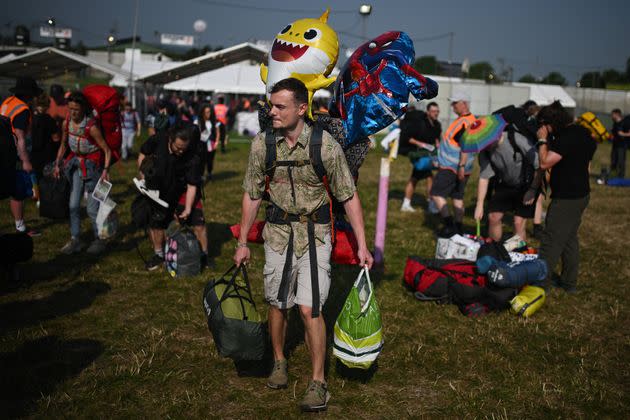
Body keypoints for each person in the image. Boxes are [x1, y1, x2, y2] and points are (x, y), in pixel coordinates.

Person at [233, 78, 373, 412]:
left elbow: (348, 196)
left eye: (280, 106)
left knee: (311, 308)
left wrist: (363, 245)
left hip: (317, 235)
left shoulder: (325, 146)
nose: (273, 112)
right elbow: (252, 195)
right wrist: (242, 242)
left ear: (301, 108)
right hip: (278, 233)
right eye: (271, 105)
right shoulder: (262, 146)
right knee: (277, 302)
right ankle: (279, 360)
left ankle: (318, 381)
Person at [536, 101, 596, 293]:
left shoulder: (565, 139)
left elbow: (545, 163)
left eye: (542, 125)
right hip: (581, 195)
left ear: (550, 123)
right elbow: (587, 160)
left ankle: (539, 285)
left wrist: (542, 140)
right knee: (569, 239)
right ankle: (569, 283)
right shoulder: (583, 133)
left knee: (551, 240)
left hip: (567, 199)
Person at [137, 121, 210, 271]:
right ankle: (158, 255)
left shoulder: (192, 155)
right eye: (178, 148)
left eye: (185, 148)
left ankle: (203, 256)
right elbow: (143, 153)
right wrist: (143, 177)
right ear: (170, 139)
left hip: (182, 188)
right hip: (159, 186)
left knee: (198, 222)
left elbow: (191, 185)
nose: (181, 152)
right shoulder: (159, 139)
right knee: (156, 222)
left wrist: (188, 209)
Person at [53, 92, 112, 255]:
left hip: (96, 169)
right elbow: (64, 144)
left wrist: (106, 171)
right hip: (77, 166)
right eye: (70, 108)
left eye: (76, 110)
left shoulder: (91, 127)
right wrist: (58, 163)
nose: (72, 113)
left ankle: (101, 239)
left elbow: (106, 150)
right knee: (73, 205)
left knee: (94, 208)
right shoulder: (67, 123)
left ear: (83, 109)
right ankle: (75, 239)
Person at [474, 127, 542, 242]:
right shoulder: (485, 152)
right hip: (505, 184)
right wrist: (479, 205)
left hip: (527, 185)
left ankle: (518, 255)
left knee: (518, 222)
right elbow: (484, 178)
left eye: (487, 141)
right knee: (493, 217)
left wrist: (533, 190)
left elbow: (539, 165)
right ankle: (495, 250)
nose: (485, 146)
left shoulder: (515, 139)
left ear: (496, 135)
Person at [0, 76, 42, 236]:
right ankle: (21, 227)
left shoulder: (8, 102)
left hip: (3, 150)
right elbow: (20, 137)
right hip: (12, 154)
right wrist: (25, 161)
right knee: (17, 190)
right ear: (29, 95)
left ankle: (20, 226)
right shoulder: (22, 110)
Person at [430, 91, 476, 235]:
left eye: (455, 103)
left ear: (464, 103)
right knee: (457, 197)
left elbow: (466, 146)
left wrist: (461, 166)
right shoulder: (468, 120)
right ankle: (459, 228)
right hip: (462, 168)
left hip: (453, 167)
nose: (452, 105)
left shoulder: (465, 123)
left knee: (436, 193)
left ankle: (449, 225)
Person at [400, 101, 441, 213]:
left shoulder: (437, 125)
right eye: (433, 111)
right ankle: (430, 203)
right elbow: (407, 137)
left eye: (437, 111)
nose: (436, 113)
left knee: (418, 177)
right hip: (417, 154)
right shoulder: (419, 123)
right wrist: (421, 144)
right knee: (425, 177)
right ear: (427, 112)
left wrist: (438, 144)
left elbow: (436, 138)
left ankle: (408, 203)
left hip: (428, 155)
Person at [31, 93, 61, 182]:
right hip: (47, 152)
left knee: (35, 178)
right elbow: (56, 136)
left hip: (34, 152)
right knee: (46, 178)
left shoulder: (32, 118)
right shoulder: (49, 119)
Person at [196, 103, 220, 182]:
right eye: (206, 112)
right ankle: (201, 175)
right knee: (201, 160)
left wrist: (216, 142)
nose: (208, 114)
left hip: (211, 144)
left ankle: (209, 173)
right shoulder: (197, 121)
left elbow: (217, 132)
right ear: (202, 112)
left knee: (210, 160)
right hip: (201, 144)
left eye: (209, 112)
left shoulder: (214, 121)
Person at [610, 109, 630, 178]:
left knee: (621, 161)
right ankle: (613, 175)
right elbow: (614, 133)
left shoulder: (625, 122)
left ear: (617, 114)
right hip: (615, 145)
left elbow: (628, 133)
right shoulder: (615, 123)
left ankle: (621, 176)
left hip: (622, 145)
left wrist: (623, 134)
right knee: (613, 160)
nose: (611, 116)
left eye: (612, 114)